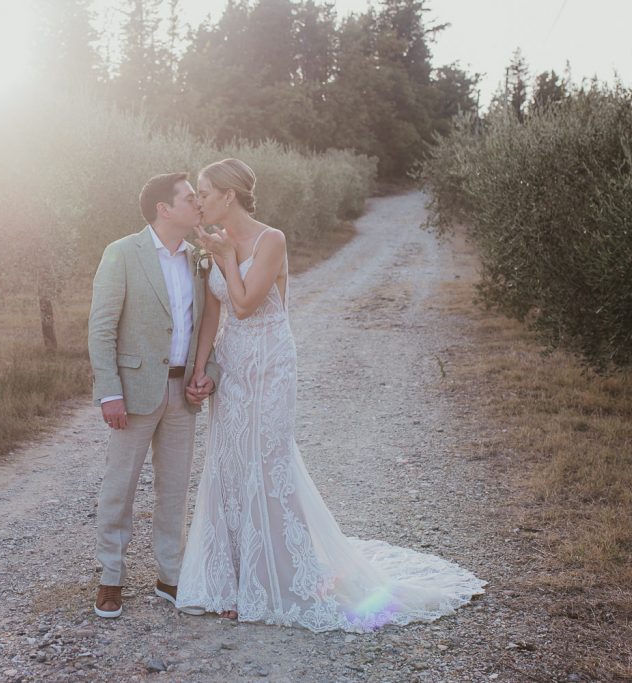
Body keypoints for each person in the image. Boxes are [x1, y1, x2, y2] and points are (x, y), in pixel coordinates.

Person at [176, 158, 485, 631]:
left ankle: (278, 579)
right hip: (233, 367)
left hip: (270, 365)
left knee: (267, 461)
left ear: (228, 195)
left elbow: (243, 304)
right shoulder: (214, 242)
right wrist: (200, 371)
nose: (197, 199)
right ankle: (232, 581)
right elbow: (214, 317)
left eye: (203, 190)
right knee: (228, 461)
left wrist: (222, 259)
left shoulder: (270, 240)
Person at [88, 172, 221, 619]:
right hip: (134, 390)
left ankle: (171, 575)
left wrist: (209, 373)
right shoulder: (123, 253)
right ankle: (110, 577)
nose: (196, 204)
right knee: (119, 486)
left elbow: (207, 324)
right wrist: (109, 392)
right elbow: (102, 328)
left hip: (183, 392)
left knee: (175, 487)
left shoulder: (200, 258)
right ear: (164, 209)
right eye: (188, 199)